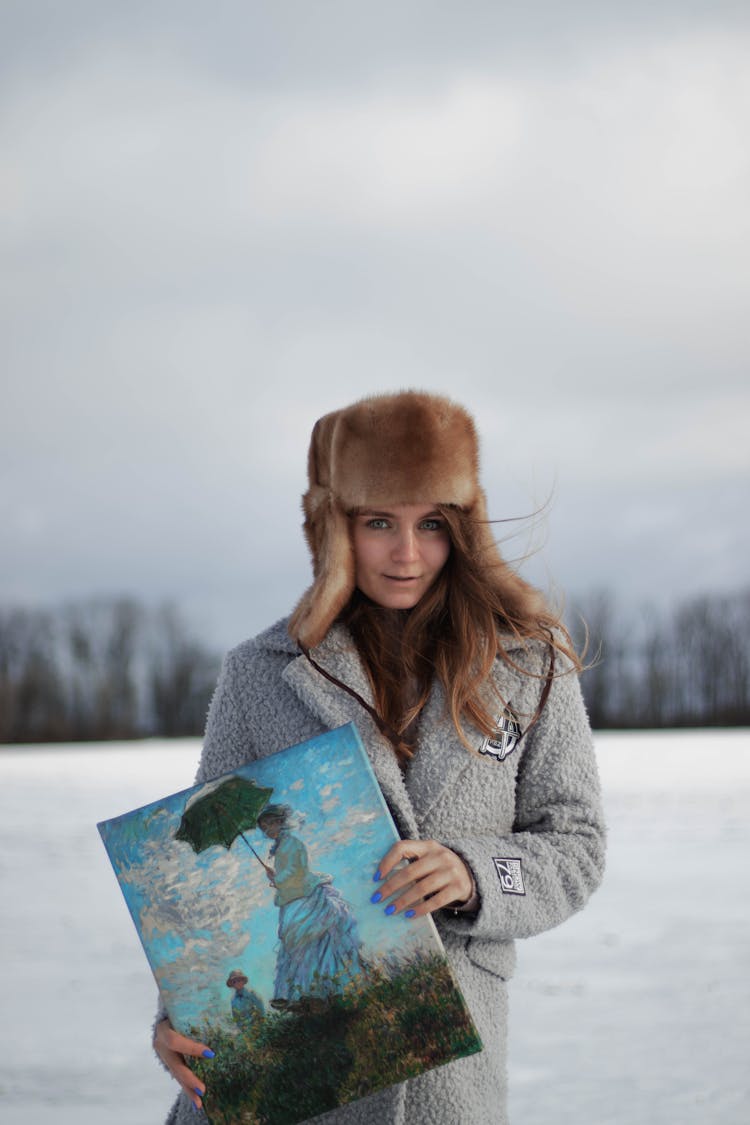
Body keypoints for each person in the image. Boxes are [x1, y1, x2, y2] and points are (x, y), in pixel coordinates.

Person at [154, 390, 606, 1124]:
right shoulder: (261, 671)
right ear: (337, 528)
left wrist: (472, 872)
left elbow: (576, 844)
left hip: (449, 1079)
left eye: (431, 523)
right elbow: (196, 878)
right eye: (378, 523)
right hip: (289, 1098)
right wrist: (176, 1019)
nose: (407, 552)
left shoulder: (529, 663)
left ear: (465, 526)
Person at [256, 804, 363, 1009]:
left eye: (269, 824)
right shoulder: (281, 846)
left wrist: (277, 878)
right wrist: (276, 877)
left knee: (307, 941)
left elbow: (297, 871)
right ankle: (297, 993)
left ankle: (316, 991)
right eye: (264, 827)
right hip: (291, 899)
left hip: (304, 897)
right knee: (294, 944)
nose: (267, 830)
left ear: (280, 822)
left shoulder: (292, 844)